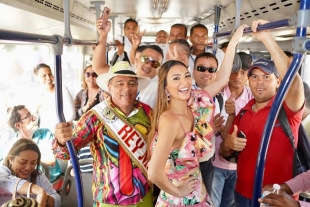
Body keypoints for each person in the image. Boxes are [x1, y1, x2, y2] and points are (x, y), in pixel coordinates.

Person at [147, 24, 247, 206]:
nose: (184, 82)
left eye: (186, 76)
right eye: (176, 79)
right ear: (165, 88)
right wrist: (178, 191)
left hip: (198, 189)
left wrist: (233, 43)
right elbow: (154, 172)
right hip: (177, 198)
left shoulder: (195, 101)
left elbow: (223, 77)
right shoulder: (170, 120)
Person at [219, 19, 305, 207]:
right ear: (248, 81)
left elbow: (295, 86)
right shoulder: (243, 112)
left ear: (278, 81)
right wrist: (228, 144)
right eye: (254, 77)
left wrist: (266, 38)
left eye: (267, 77)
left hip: (277, 198)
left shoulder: (287, 110)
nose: (260, 82)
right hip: (241, 194)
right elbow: (224, 152)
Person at [52, 61, 153, 206]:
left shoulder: (148, 113)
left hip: (144, 195)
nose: (126, 88)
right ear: (109, 87)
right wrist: (61, 140)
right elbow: (63, 153)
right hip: (109, 199)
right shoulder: (95, 117)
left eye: (132, 83)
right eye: (119, 83)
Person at [211, 52, 253, 207]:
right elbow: (222, 132)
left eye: (243, 72)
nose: (238, 76)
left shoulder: (253, 98)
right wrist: (231, 115)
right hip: (216, 164)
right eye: (234, 71)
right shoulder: (217, 95)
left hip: (239, 167)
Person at [93, 17, 163, 109]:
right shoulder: (124, 71)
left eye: (155, 63)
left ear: (159, 68)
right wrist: (103, 35)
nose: (149, 64)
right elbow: (98, 67)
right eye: (146, 59)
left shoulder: (160, 85)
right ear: (136, 60)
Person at [1, 105, 63, 191]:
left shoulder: (45, 134)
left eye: (32, 115)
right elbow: (4, 171)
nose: (34, 118)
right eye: (28, 116)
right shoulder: (10, 146)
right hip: (23, 188)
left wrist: (23, 158)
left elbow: (51, 160)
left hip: (53, 184)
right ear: (18, 125)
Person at [0, 139, 61, 207]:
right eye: (23, 162)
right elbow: (4, 181)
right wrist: (38, 190)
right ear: (10, 159)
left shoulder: (37, 176)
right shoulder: (2, 173)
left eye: (33, 163)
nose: (28, 167)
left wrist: (45, 197)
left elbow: (57, 201)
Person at [33, 63, 75, 133]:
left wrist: (58, 131)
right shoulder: (37, 94)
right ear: (37, 78)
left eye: (50, 74)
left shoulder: (62, 90)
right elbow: (32, 116)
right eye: (44, 75)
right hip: (44, 135)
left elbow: (71, 114)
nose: (48, 78)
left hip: (61, 133)